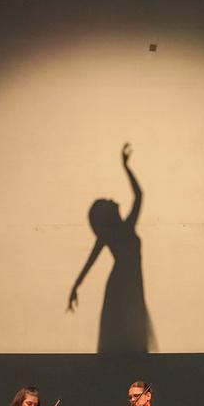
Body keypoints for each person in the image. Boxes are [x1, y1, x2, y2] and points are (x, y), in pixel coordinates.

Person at [66, 143, 156, 353]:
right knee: (125, 333)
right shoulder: (120, 231)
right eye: (108, 201)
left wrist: (75, 287)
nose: (113, 199)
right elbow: (139, 195)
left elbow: (89, 262)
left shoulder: (118, 231)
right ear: (107, 214)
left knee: (129, 335)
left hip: (128, 284)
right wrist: (75, 287)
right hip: (123, 285)